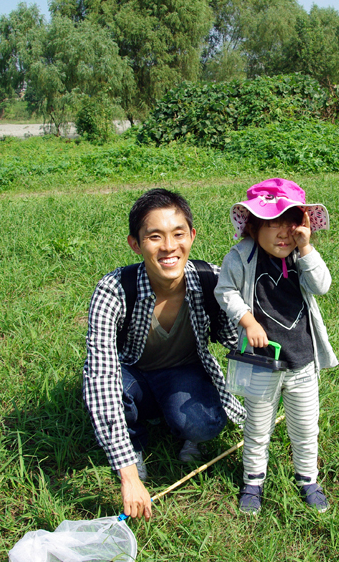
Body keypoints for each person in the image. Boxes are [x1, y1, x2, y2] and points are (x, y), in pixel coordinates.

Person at [83, 188, 245, 521]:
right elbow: (100, 377)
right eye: (155, 237)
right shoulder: (114, 290)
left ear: (192, 236)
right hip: (131, 374)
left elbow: (234, 341)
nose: (169, 247)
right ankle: (134, 442)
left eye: (178, 234)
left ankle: (174, 422)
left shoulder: (212, 280)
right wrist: (127, 477)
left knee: (204, 424)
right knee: (111, 393)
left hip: (183, 371)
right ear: (135, 243)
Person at [215, 178, 338, 515]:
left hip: (302, 361)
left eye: (291, 223)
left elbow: (322, 286)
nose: (283, 233)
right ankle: (253, 481)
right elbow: (225, 291)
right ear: (253, 226)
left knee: (305, 426)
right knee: (257, 425)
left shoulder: (302, 255)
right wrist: (247, 320)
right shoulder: (241, 256)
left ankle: (307, 479)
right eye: (273, 224)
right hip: (261, 363)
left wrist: (307, 248)